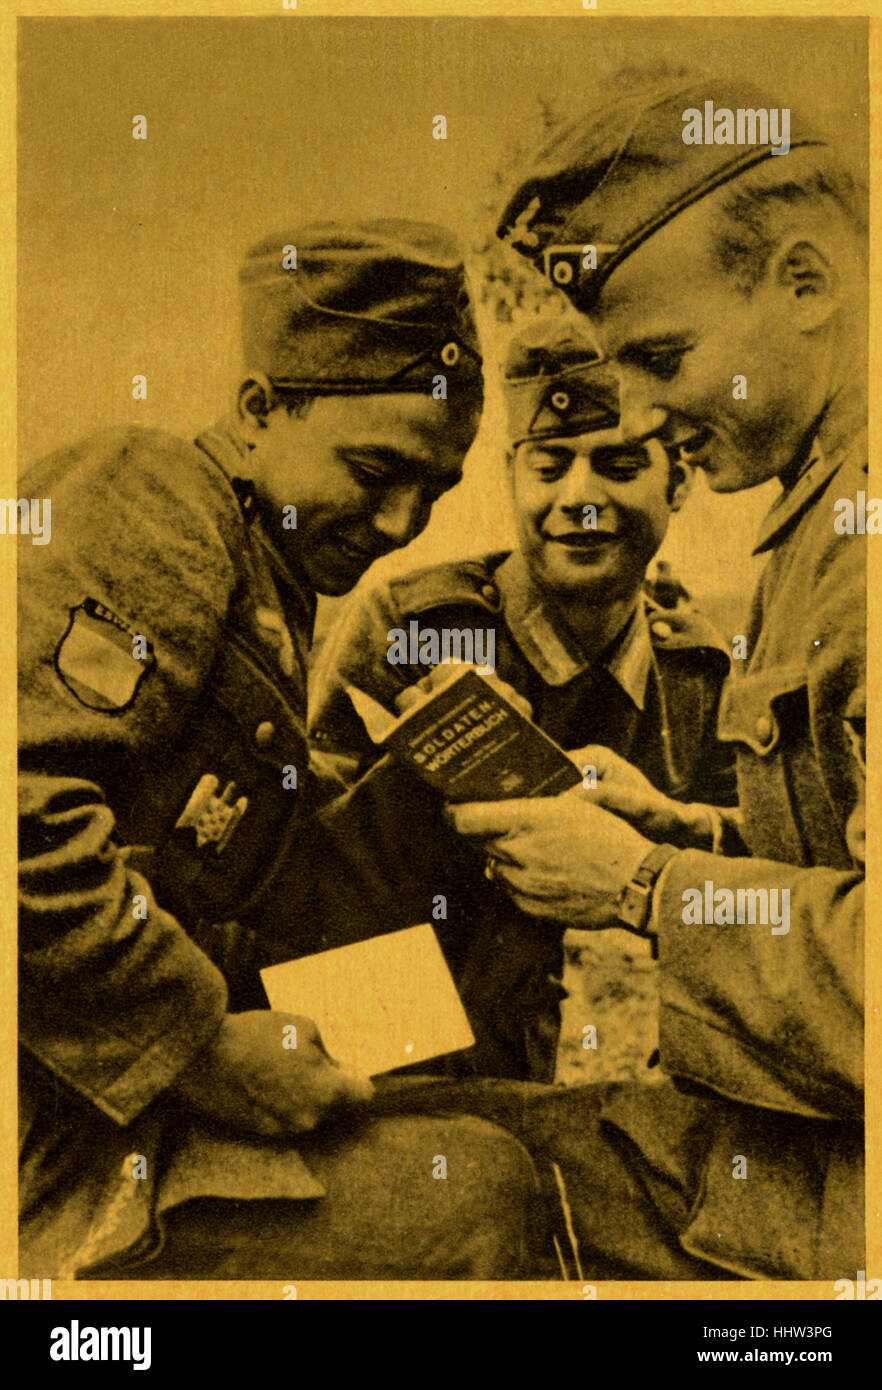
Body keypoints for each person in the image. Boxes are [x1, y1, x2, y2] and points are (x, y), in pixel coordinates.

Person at [17, 220, 547, 1280]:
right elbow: (19, 809)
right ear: (260, 412)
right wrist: (207, 1044)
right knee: (486, 1193)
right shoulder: (153, 494)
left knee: (545, 1130)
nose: (401, 523)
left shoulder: (274, 577)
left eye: (435, 493)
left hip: (111, 1096)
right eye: (376, 469)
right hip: (52, 1146)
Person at [427, 76, 865, 1280]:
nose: (653, 419)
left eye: (662, 359)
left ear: (807, 283)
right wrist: (694, 833)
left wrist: (648, 886)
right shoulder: (822, 520)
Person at [309, 314, 736, 1082]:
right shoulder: (412, 628)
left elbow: (749, 889)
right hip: (371, 1062)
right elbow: (302, 885)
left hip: (541, 1058)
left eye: (617, 464)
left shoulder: (696, 676)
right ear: (511, 478)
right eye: (549, 467)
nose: (580, 498)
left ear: (677, 482)